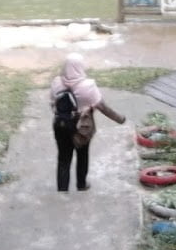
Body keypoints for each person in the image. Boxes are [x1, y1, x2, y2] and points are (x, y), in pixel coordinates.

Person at [50, 53, 126, 192]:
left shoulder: (56, 82)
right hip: (81, 128)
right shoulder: (88, 86)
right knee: (82, 155)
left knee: (63, 158)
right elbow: (103, 107)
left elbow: (52, 104)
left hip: (60, 125)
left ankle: (62, 190)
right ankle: (81, 184)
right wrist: (120, 119)